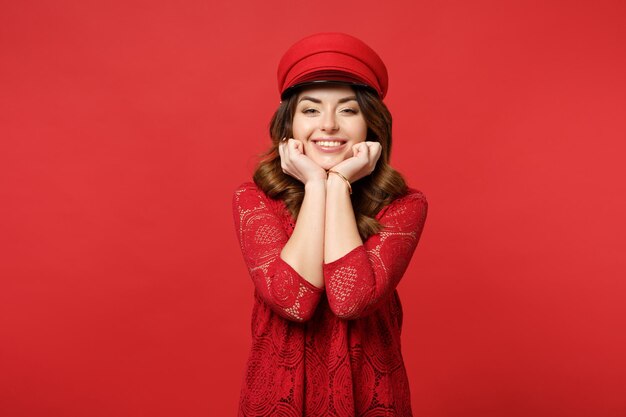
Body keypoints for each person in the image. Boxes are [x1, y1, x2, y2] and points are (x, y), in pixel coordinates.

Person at [232, 32, 428, 417]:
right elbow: (295, 302)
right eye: (310, 110)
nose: (329, 125)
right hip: (277, 398)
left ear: (371, 124)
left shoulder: (404, 205)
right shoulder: (254, 199)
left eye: (348, 110)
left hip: (370, 397)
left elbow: (350, 299)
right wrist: (315, 185)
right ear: (289, 123)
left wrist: (336, 183)